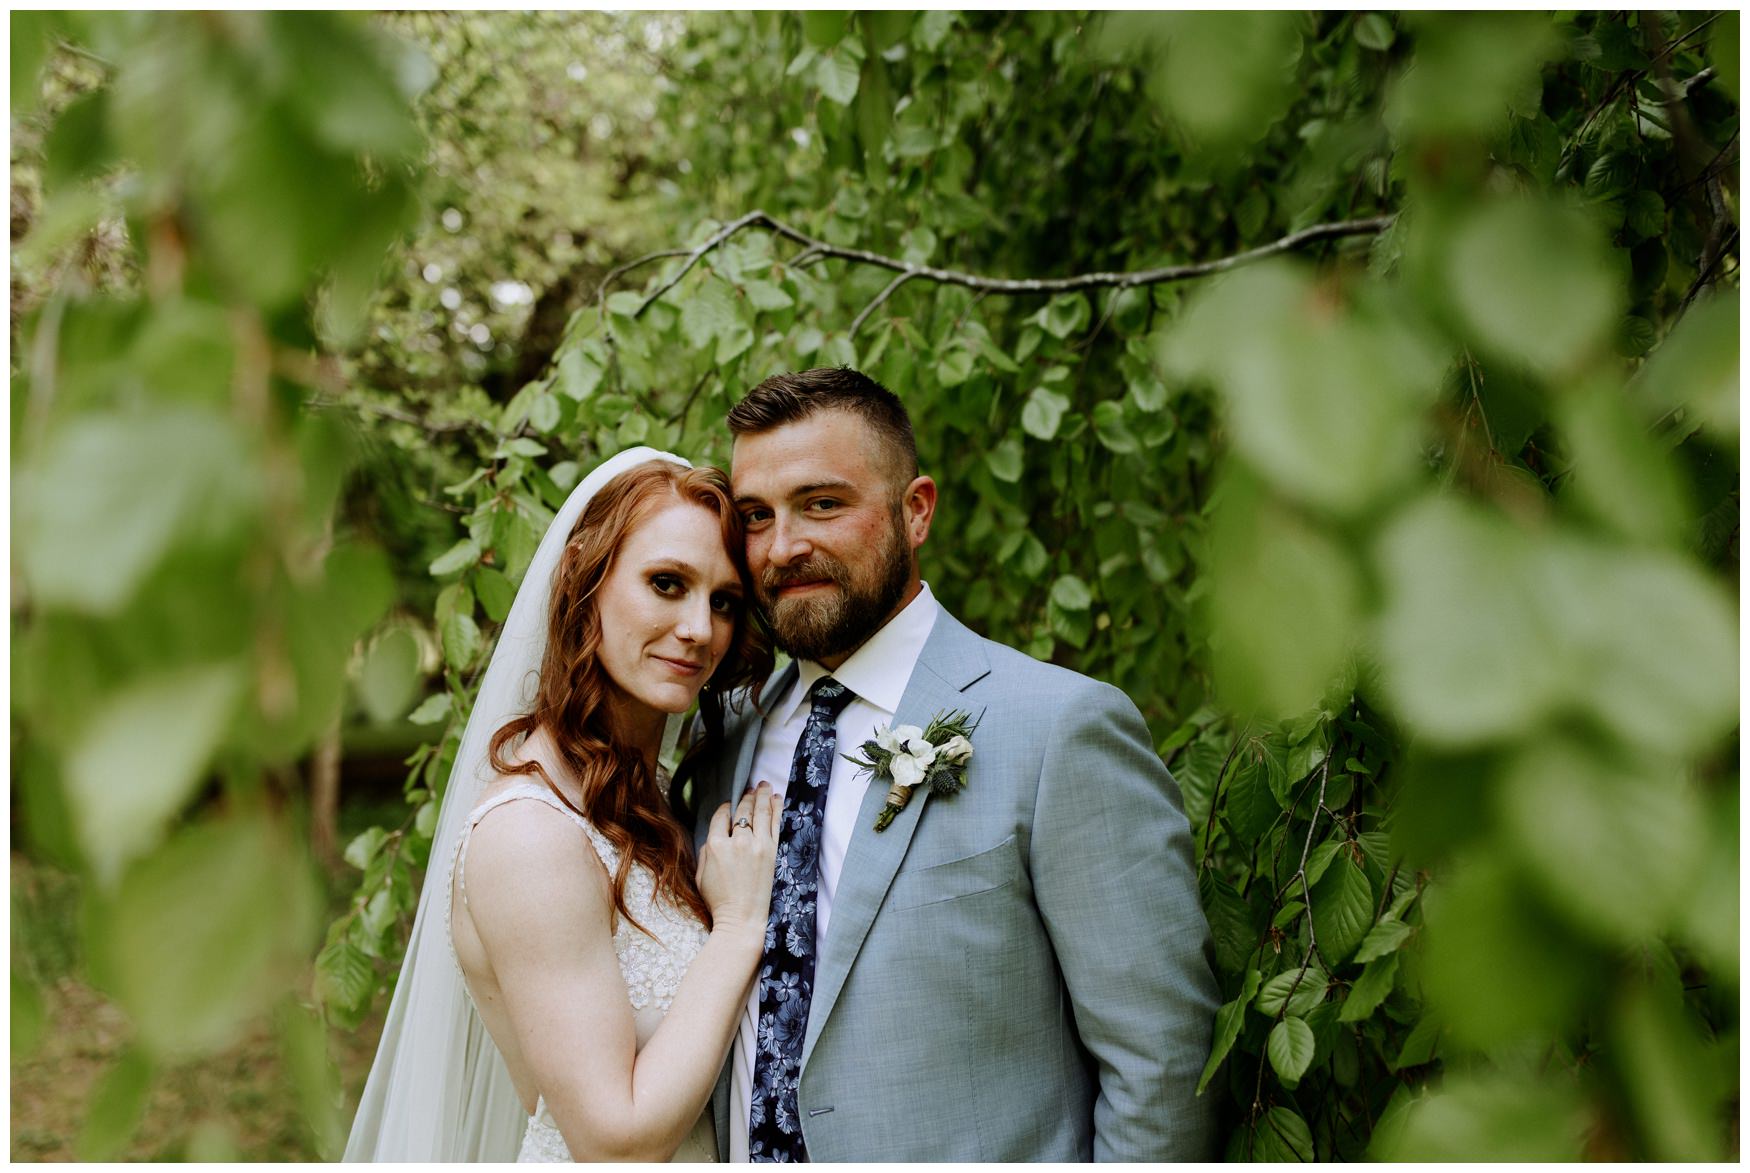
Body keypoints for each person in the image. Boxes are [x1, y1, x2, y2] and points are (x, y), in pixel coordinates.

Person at [689, 369, 1220, 1161]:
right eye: (757, 516)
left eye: (822, 503)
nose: (783, 546)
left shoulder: (1058, 727)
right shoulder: (721, 741)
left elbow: (1163, 1059)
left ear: (917, 510)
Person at [345, 448, 780, 1162]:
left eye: (723, 600)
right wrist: (736, 929)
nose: (700, 628)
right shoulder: (531, 833)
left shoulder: (648, 794)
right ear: (585, 573)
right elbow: (612, 1137)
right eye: (666, 583)